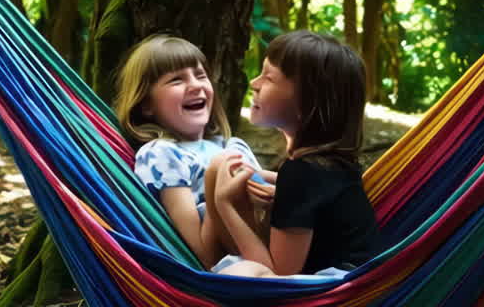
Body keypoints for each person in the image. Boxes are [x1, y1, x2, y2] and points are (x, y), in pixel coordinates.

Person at [213, 31, 383, 278]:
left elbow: (278, 274)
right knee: (218, 167)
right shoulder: (331, 165)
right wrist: (268, 179)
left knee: (244, 272)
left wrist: (224, 204)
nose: (254, 83)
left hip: (326, 298)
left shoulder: (301, 175)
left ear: (307, 103)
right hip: (356, 289)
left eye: (268, 78)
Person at [114, 34, 275, 269]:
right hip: (230, 262)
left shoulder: (230, 145)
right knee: (222, 165)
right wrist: (221, 196)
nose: (196, 85)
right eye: (176, 80)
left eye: (201, 75)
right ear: (146, 105)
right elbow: (202, 255)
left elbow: (267, 198)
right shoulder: (162, 154)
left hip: (274, 247)